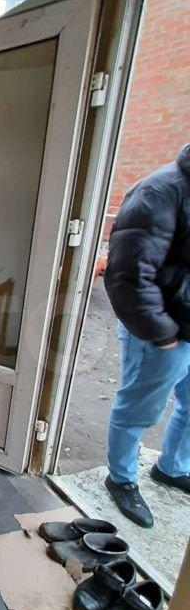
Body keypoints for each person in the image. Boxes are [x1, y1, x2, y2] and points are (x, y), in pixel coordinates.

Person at [103, 143, 190, 528]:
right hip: (162, 332)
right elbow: (127, 274)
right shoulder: (159, 192)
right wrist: (162, 333)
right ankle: (121, 478)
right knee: (138, 408)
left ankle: (173, 468)